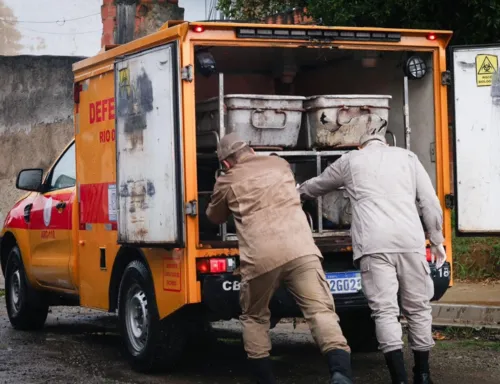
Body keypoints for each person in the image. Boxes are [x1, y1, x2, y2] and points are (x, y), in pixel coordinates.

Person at [297, 131, 446, 384]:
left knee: (385, 311)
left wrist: (296, 192)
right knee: (418, 309)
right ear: (386, 143)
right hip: (410, 241)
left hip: (373, 244)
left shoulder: (351, 160)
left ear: (360, 144)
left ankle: (398, 379)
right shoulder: (408, 157)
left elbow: (319, 184)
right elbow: (429, 202)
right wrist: (436, 239)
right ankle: (422, 374)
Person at [206, 132, 353, 384]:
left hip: (261, 257)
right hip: (301, 249)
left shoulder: (227, 179)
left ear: (226, 163)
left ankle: (266, 379)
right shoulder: (280, 164)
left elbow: (214, 217)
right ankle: (340, 372)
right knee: (320, 311)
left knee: (255, 316)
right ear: (251, 150)